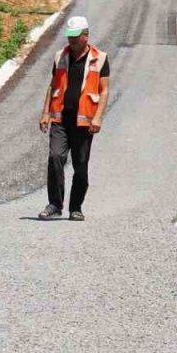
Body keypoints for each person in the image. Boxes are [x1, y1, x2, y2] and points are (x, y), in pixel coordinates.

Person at [38, 16, 110, 221]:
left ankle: (76, 207)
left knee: (80, 165)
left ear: (86, 36)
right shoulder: (60, 56)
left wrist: (98, 117)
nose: (71, 41)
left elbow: (104, 91)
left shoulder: (100, 58)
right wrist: (45, 113)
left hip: (84, 122)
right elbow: (53, 85)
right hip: (61, 118)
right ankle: (55, 204)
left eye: (75, 37)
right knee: (55, 157)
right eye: (69, 37)